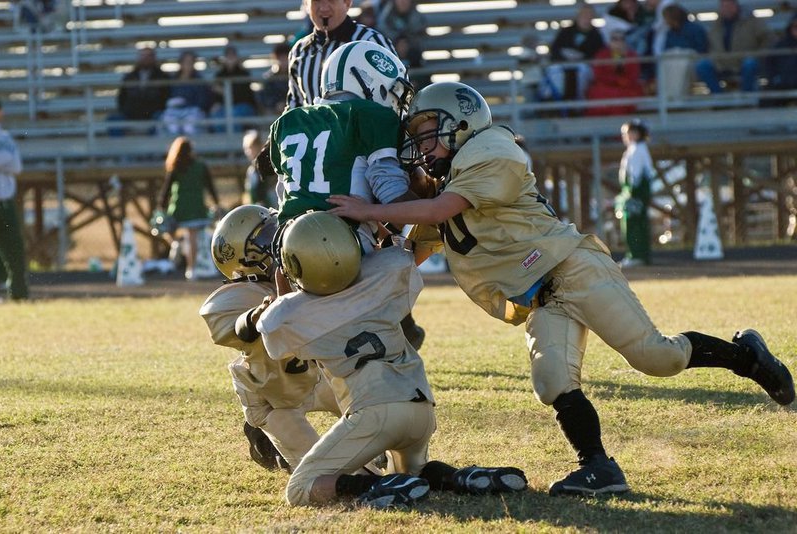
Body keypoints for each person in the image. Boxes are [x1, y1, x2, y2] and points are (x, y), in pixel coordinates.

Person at [328, 81, 796, 496]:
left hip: (573, 268)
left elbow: (436, 211)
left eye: (429, 130)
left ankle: (747, 356)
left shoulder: (491, 149)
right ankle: (598, 468)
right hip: (542, 293)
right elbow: (417, 243)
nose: (423, 144)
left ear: (461, 119)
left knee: (658, 358)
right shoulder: (457, 175)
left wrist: (366, 211)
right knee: (552, 380)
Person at [257, 210, 527, 507]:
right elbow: (396, 254)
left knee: (300, 488)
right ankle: (461, 477)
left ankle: (375, 485)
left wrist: (282, 288)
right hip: (420, 407)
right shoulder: (388, 270)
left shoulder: (287, 316)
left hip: (373, 412)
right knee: (415, 474)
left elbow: (275, 341)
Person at [270, 40, 425, 349]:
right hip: (341, 246)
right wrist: (435, 205)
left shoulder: (286, 122)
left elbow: (285, 193)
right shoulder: (371, 115)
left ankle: (285, 313)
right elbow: (390, 191)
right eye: (392, 91)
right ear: (369, 80)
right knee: (400, 260)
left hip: (288, 250)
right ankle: (390, 331)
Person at [200, 205, 347, 471]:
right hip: (273, 399)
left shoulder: (302, 273)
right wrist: (260, 314)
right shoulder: (239, 295)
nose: (277, 242)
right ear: (242, 259)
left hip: (319, 378)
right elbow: (233, 328)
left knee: (378, 431)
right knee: (324, 470)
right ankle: (270, 445)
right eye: (266, 239)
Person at [285, 0, 398, 110]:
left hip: (364, 128)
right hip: (314, 129)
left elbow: (397, 96)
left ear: (347, 3)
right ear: (306, 4)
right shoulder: (299, 51)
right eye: (316, 1)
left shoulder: (372, 42)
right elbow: (294, 108)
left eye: (331, 0)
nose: (324, 8)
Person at [158, 136, 221, 281]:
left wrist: (161, 205)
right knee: (191, 237)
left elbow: (166, 189)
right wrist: (216, 201)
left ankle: (178, 246)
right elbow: (210, 185)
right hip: (196, 206)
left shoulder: (175, 167)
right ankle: (190, 268)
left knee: (168, 230)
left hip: (179, 206)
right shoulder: (201, 166)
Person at [695, 0, 772, 94]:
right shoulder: (717, 24)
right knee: (702, 66)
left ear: (736, 5)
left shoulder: (752, 20)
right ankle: (720, 99)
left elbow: (768, 39)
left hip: (744, 60)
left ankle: (746, 98)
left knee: (750, 64)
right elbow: (711, 43)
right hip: (721, 63)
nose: (726, 8)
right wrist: (714, 56)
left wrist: (759, 55)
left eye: (728, 5)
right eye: (723, 5)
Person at [540, 3, 603, 107]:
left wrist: (581, 57)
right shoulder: (566, 32)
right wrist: (565, 55)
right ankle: (553, 102)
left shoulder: (596, 35)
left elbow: (598, 55)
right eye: (583, 14)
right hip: (563, 64)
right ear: (578, 16)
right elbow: (554, 50)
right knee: (553, 71)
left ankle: (577, 105)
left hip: (584, 66)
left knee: (582, 71)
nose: (586, 17)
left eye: (589, 15)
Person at [0, 99, 29, 302]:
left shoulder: (4, 137)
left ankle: (18, 293)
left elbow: (16, 166)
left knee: (13, 248)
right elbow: (8, 161)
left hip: (4, 201)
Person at [616, 119, 655, 267]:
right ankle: (635, 254)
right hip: (633, 191)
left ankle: (636, 255)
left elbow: (636, 175)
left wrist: (631, 193)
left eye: (629, 133)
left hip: (635, 193)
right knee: (634, 223)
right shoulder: (634, 148)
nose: (626, 136)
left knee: (634, 224)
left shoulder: (638, 149)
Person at [109, 47, 171, 137]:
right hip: (131, 115)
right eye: (143, 56)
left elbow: (165, 98)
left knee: (161, 117)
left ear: (154, 58)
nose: (145, 59)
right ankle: (120, 149)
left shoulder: (163, 76)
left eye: (148, 56)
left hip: (152, 115)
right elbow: (121, 98)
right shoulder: (129, 77)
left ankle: (153, 150)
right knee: (113, 119)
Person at [585, 30, 644, 116]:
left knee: (626, 94)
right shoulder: (601, 55)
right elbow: (598, 74)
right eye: (615, 39)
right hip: (606, 86)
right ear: (610, 41)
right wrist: (615, 79)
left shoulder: (631, 55)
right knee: (600, 93)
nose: (618, 42)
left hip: (626, 87)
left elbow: (634, 75)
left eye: (621, 39)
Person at [161, 50, 214, 135]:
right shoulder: (172, 80)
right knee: (169, 124)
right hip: (174, 112)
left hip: (192, 111)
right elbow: (166, 98)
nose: (188, 65)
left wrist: (187, 104)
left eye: (190, 62)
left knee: (190, 126)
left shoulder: (199, 80)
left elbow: (203, 101)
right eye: (186, 62)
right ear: (181, 63)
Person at [210, 45, 258, 133]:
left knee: (234, 115)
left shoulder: (244, 74)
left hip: (243, 106)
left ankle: (236, 144)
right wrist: (216, 103)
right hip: (225, 107)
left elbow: (244, 96)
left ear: (237, 58)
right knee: (217, 116)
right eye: (228, 56)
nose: (230, 59)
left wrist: (224, 91)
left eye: (232, 56)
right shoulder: (220, 75)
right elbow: (215, 95)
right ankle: (222, 143)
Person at [376, 0, 426, 72]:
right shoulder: (385, 18)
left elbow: (418, 34)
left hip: (414, 60)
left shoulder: (418, 18)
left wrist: (406, 41)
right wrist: (397, 42)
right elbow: (384, 31)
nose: (403, 2)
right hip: (390, 59)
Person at [764, 13, 797, 106]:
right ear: (790, 27)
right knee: (767, 97)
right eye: (795, 26)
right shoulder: (780, 45)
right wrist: (775, 79)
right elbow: (769, 63)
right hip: (784, 84)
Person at [242, 130, 277, 207]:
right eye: (246, 149)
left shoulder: (270, 165)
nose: (248, 152)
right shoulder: (251, 170)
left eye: (251, 148)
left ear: (260, 146)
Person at [257, 42, 291, 115]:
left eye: (285, 56)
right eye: (280, 57)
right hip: (274, 109)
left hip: (293, 107)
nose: (283, 60)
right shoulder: (269, 76)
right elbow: (265, 96)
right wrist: (276, 104)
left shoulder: (296, 74)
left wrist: (286, 103)